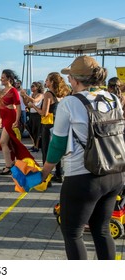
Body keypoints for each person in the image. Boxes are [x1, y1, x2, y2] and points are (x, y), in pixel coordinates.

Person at [41, 55, 124, 260]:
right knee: (102, 230)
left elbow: (58, 144)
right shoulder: (112, 98)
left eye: (70, 77)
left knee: (72, 232)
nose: (69, 81)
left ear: (75, 80)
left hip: (83, 176)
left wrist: (44, 172)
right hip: (114, 173)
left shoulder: (70, 102)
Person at [28, 72, 70, 183]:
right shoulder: (63, 93)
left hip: (48, 124)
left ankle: (46, 177)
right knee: (58, 149)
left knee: (46, 150)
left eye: (47, 80)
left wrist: (33, 106)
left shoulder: (48, 94)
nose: (45, 82)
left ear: (51, 82)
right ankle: (59, 174)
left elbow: (44, 113)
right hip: (59, 123)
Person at [0, 70, 23, 175]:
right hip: (4, 117)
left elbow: (18, 106)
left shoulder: (13, 91)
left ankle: (9, 166)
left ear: (9, 79)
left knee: (3, 141)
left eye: (3, 77)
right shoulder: (2, 91)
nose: (1, 79)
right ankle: (11, 163)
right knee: (8, 142)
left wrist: (17, 120)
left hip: (11, 117)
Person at [21, 81, 45, 152]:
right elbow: (27, 104)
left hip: (37, 114)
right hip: (32, 114)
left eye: (33, 86)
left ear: (37, 87)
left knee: (37, 131)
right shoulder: (31, 95)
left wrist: (26, 95)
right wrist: (23, 97)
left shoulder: (40, 95)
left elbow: (34, 101)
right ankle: (34, 144)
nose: (31, 87)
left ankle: (36, 146)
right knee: (29, 128)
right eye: (31, 86)